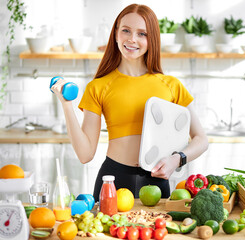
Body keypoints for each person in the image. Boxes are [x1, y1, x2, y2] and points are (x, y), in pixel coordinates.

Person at [51, 4, 209, 201]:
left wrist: (177, 160)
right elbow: (85, 155)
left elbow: (201, 139)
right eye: (126, 30)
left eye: (142, 33)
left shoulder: (171, 85)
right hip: (112, 181)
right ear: (116, 33)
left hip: (157, 182)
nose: (132, 39)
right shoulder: (98, 86)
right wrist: (66, 105)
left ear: (152, 40)